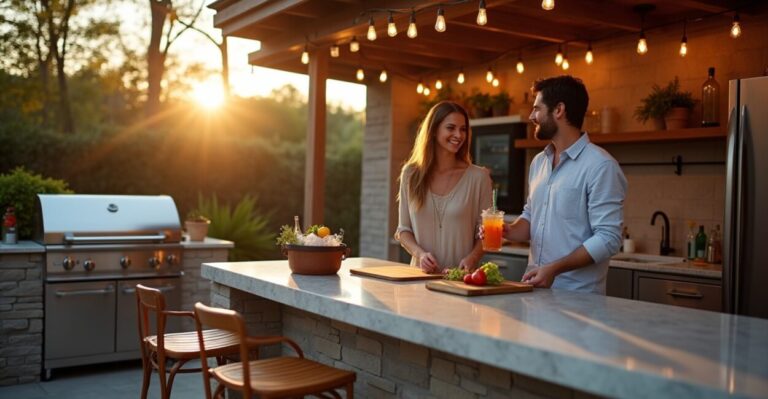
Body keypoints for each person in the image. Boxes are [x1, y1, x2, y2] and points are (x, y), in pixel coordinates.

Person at [487, 76, 626, 294]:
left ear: (559, 110)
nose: (532, 116)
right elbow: (531, 217)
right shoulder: (539, 163)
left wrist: (555, 269)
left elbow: (609, 239)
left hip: (579, 298)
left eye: (537, 109)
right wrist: (508, 231)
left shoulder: (600, 166)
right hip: (535, 291)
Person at [395, 101, 492, 273]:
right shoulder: (410, 174)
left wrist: (473, 258)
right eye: (451, 128)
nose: (458, 134)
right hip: (418, 281)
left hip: (461, 282)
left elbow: (487, 233)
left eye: (463, 129)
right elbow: (403, 231)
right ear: (433, 131)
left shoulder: (479, 178)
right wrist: (420, 255)